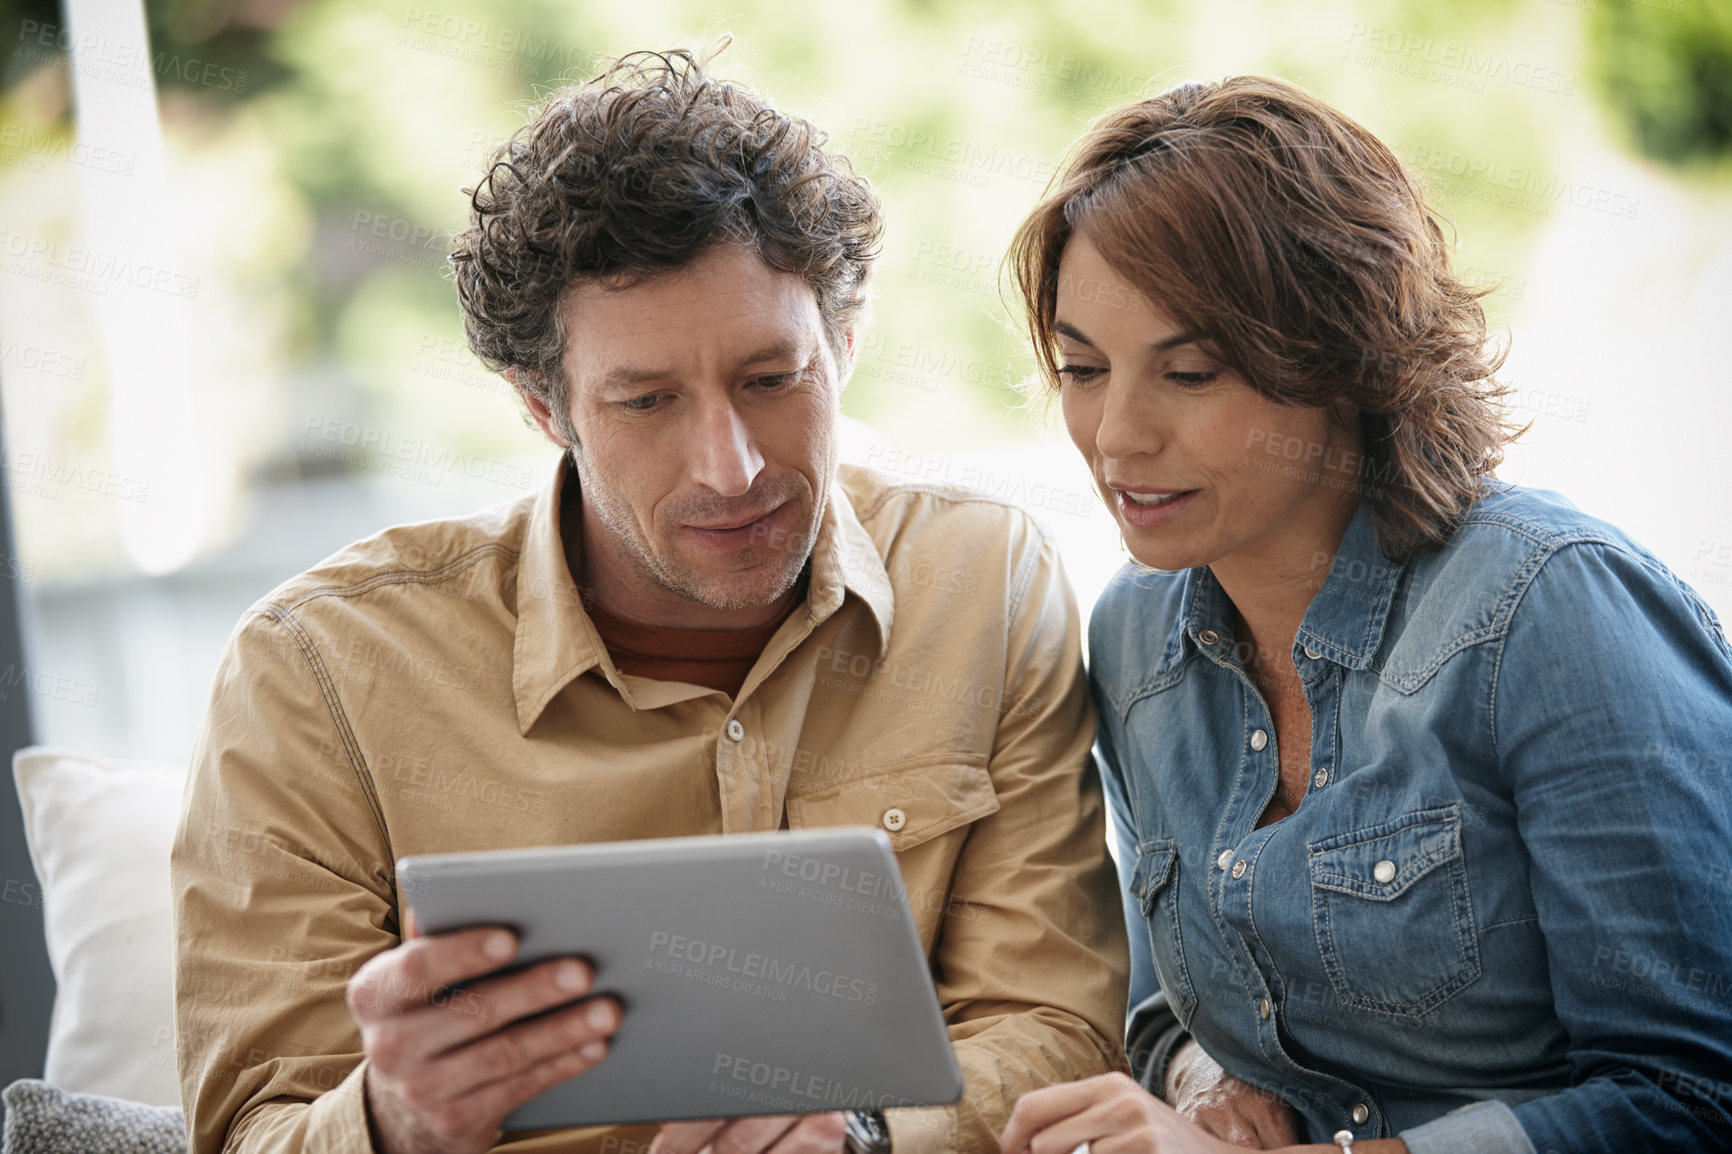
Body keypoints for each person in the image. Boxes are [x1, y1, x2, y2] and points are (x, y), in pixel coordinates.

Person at [171, 48, 1130, 1154]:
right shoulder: (316, 673)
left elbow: (1052, 1021)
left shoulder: (982, 581)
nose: (730, 467)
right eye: (645, 401)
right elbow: (253, 1125)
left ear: (846, 343)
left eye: (773, 380)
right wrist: (392, 1121)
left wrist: (860, 1134)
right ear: (544, 408)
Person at [995, 76, 1732, 1154]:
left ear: (1343, 355)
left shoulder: (1547, 608)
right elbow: (1168, 1003)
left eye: (1189, 371)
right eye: (1081, 369)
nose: (1115, 436)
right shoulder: (1132, 637)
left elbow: (1694, 1096)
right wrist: (1201, 1081)